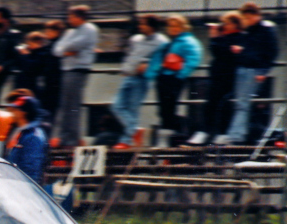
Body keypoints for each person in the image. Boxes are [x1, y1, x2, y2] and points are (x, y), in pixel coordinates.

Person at [218, 2, 279, 145]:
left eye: (248, 18)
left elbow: (272, 52)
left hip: (253, 69)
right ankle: (239, 133)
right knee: (242, 104)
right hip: (243, 68)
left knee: (242, 104)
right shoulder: (249, 31)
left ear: (255, 16)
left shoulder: (266, 29)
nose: (246, 21)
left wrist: (264, 70)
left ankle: (236, 135)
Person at [186, 12, 245, 146]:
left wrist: (217, 39)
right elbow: (216, 49)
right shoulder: (223, 37)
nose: (225, 26)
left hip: (230, 76)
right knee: (210, 104)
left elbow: (222, 50)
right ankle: (205, 132)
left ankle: (222, 133)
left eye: (228, 23)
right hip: (217, 75)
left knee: (226, 105)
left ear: (235, 24)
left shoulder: (239, 37)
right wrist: (216, 37)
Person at [109, 14, 168, 149]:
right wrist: (125, 69)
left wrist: (148, 64)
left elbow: (160, 60)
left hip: (141, 79)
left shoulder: (162, 42)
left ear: (152, 26)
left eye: (143, 24)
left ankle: (126, 140)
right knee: (116, 106)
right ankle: (135, 129)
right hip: (128, 76)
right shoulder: (136, 39)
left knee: (132, 109)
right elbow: (130, 55)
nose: (140, 26)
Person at [145, 15, 202, 147]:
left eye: (175, 26)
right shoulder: (171, 42)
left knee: (169, 108)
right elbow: (157, 59)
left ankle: (169, 137)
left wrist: (180, 75)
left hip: (174, 78)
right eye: (170, 26)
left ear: (183, 27)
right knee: (164, 109)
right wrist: (153, 74)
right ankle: (167, 136)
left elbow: (193, 59)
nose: (172, 29)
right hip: (164, 77)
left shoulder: (187, 41)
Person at [53, 5, 99, 148]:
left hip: (78, 69)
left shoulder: (90, 29)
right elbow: (56, 50)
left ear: (79, 17)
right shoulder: (70, 32)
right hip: (67, 70)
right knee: (66, 106)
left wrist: (66, 50)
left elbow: (75, 45)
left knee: (72, 106)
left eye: (71, 16)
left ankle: (71, 139)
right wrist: (66, 50)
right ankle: (64, 137)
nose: (69, 19)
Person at [5, 96, 48, 183]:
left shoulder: (34, 136)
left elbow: (31, 171)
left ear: (23, 112)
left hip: (21, 186)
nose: (12, 112)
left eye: (15, 110)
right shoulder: (19, 130)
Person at [42, 20, 65, 124]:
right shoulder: (51, 44)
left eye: (48, 31)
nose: (46, 33)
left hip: (54, 82)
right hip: (50, 81)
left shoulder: (57, 45)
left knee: (50, 111)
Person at [15, 32, 50, 99]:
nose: (28, 46)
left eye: (30, 44)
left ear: (38, 42)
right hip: (23, 83)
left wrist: (25, 55)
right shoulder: (30, 51)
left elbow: (32, 67)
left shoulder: (43, 53)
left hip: (34, 84)